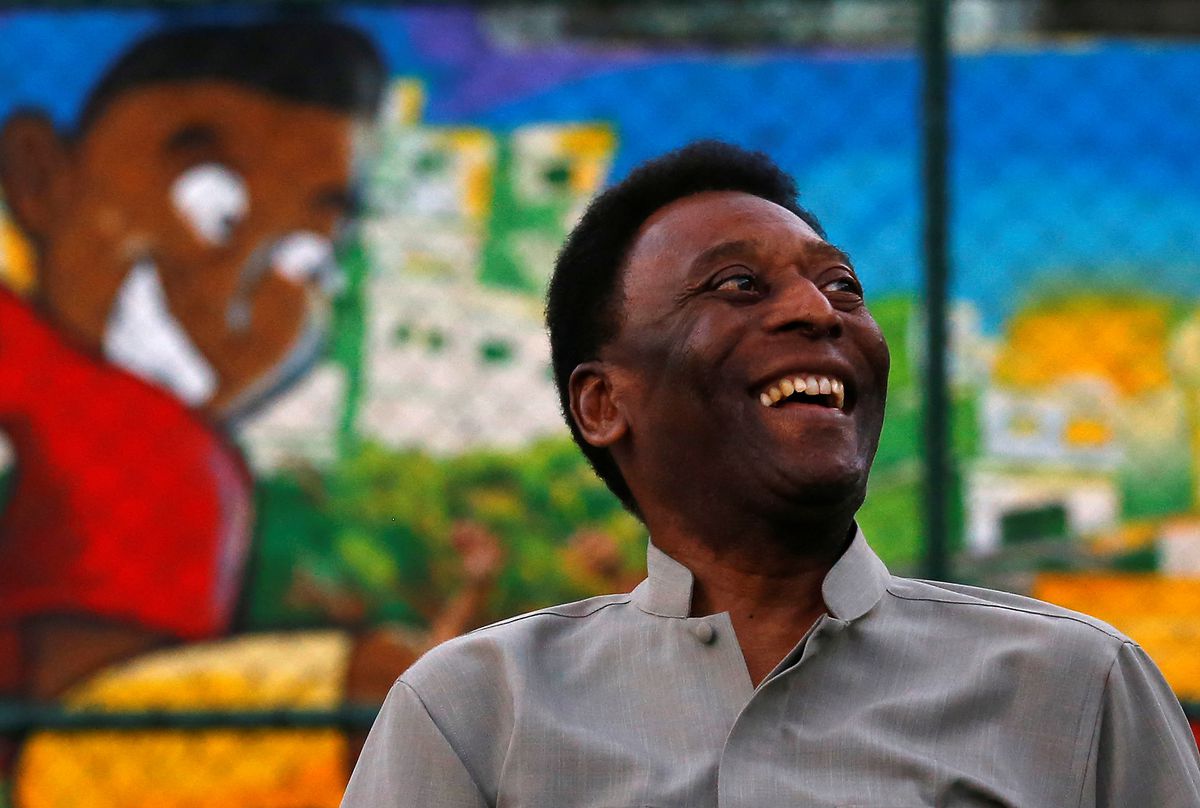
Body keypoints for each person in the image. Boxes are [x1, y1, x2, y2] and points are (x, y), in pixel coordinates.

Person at [342, 141, 1200, 807]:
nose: (816, 311)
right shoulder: (474, 715)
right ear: (604, 403)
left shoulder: (1076, 689)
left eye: (843, 288)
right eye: (739, 285)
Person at [0, 21, 384, 701]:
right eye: (215, 217)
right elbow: (84, 749)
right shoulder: (148, 452)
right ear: (40, 178)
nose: (234, 296)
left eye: (305, 262)